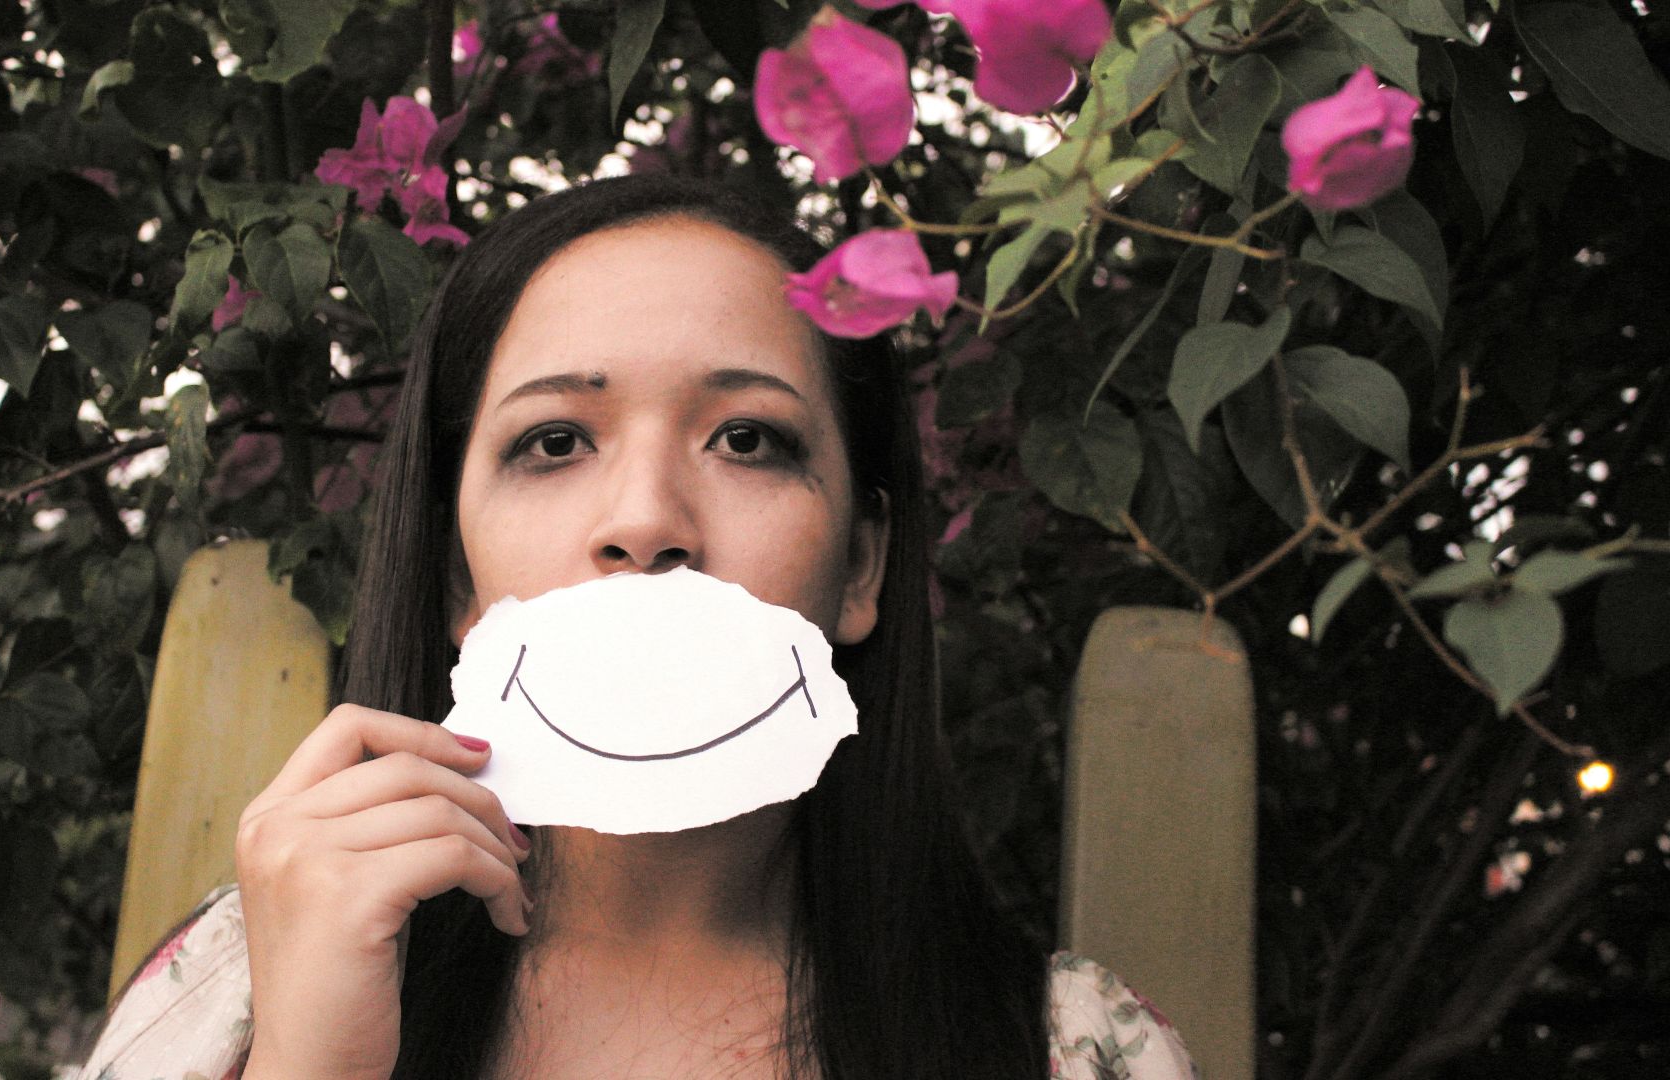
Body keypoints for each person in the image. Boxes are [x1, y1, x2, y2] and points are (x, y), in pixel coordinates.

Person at [74, 174, 1199, 1080]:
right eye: (554, 442)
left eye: (749, 439)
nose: (648, 521)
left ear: (861, 564)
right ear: (456, 587)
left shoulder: (1078, 1055)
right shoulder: (252, 989)